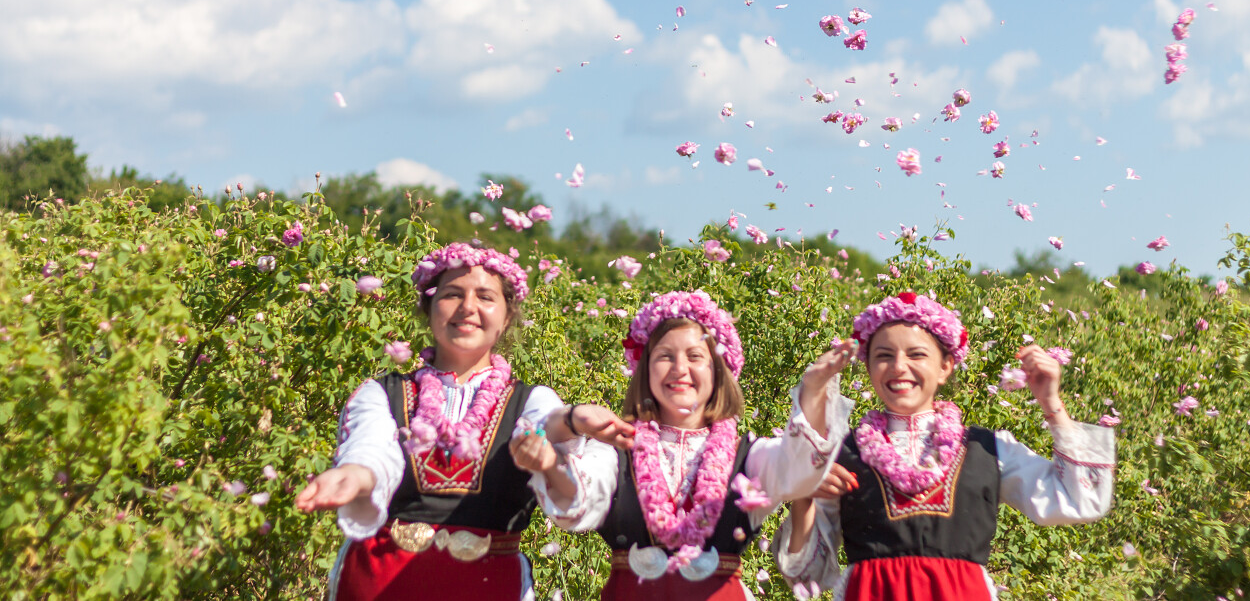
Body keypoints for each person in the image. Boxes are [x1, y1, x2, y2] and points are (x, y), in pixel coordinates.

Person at [294, 242, 629, 601]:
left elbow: (545, 425)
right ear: (429, 307)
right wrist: (353, 477)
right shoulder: (381, 394)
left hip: (487, 587)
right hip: (380, 583)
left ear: (506, 317)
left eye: (485, 297)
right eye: (453, 294)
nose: (468, 307)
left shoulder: (530, 401)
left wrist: (574, 419)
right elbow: (372, 451)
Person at [511, 289, 858, 601]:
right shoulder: (618, 451)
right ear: (645, 369)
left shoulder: (748, 458)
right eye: (665, 356)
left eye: (695, 356)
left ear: (718, 371)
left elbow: (796, 466)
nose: (680, 369)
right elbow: (577, 497)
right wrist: (547, 466)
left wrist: (812, 391)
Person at [772, 291, 1115, 601]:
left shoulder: (987, 449)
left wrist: (1052, 404)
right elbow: (806, 575)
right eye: (884, 355)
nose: (899, 367)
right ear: (868, 366)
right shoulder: (844, 455)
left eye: (917, 354)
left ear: (946, 366)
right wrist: (804, 493)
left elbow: (1077, 499)